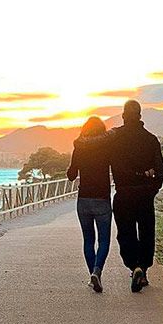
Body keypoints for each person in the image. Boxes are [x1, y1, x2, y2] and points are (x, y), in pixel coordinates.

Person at [76, 100, 163, 292]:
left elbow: (93, 146)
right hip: (145, 194)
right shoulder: (151, 139)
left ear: (124, 116)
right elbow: (160, 170)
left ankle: (134, 266)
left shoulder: (116, 137)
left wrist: (79, 143)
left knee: (126, 233)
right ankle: (143, 267)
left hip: (123, 194)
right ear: (140, 116)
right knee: (147, 232)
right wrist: (152, 189)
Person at [67, 116, 113, 293]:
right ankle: (97, 271)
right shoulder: (106, 146)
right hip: (102, 198)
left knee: (88, 239)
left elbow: (71, 175)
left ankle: (93, 276)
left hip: (83, 199)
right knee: (103, 240)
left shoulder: (79, 147)